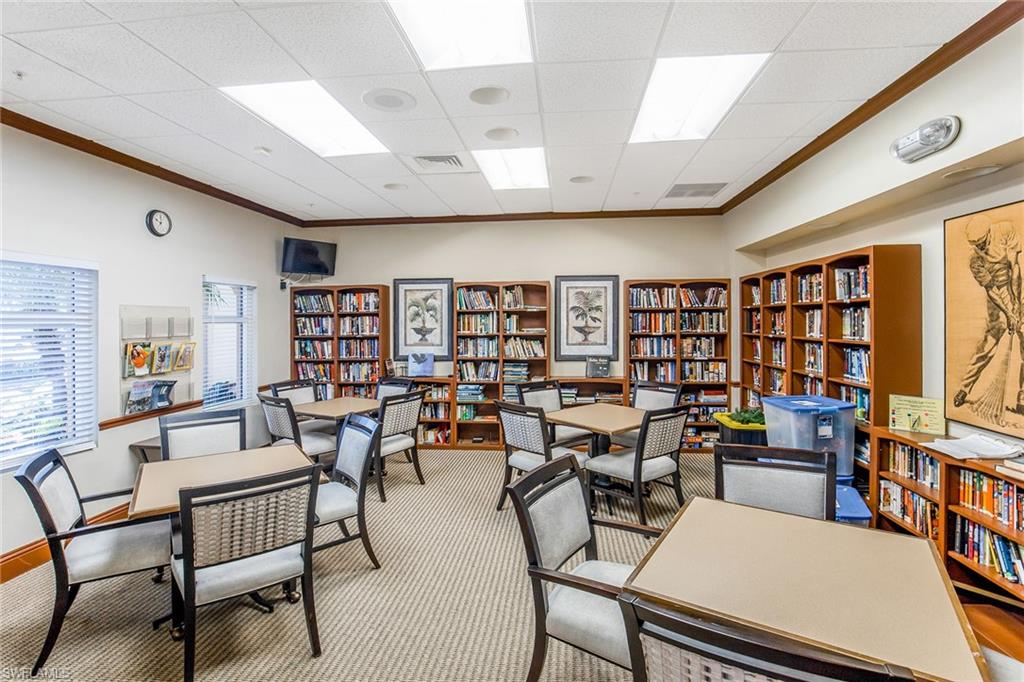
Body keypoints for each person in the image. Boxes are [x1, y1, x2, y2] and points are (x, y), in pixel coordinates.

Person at [953, 214, 1024, 414]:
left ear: (989, 234)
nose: (982, 248)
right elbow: (991, 289)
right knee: (990, 341)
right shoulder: (975, 260)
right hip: (998, 294)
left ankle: (1022, 398)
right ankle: (965, 389)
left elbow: (1016, 268)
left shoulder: (1005, 230)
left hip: (1017, 284)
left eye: (983, 243)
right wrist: (1009, 312)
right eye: (978, 246)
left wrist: (1017, 303)